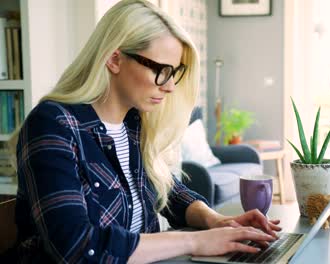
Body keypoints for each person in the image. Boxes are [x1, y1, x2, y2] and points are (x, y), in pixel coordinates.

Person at [10, 0, 280, 262]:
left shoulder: (133, 123)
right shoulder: (52, 125)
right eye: (162, 70)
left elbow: (165, 190)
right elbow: (77, 247)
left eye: (175, 72)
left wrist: (216, 220)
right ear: (115, 59)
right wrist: (196, 241)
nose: (171, 86)